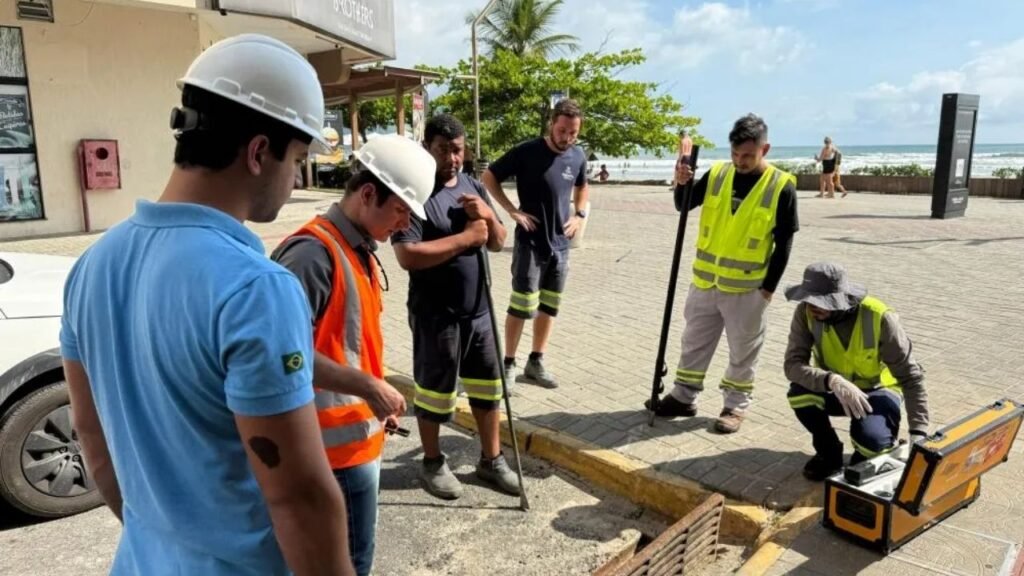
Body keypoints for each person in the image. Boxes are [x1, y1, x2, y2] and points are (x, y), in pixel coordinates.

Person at [60, 35, 356, 575]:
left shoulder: (92, 266)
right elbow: (300, 497)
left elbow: (92, 435)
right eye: (297, 161)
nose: (294, 182)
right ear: (259, 152)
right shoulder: (254, 288)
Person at [271, 134, 434, 575]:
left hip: (354, 443)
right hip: (330, 457)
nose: (404, 225)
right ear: (367, 194)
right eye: (400, 209)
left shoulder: (355, 248)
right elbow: (281, 357)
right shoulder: (312, 256)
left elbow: (348, 345)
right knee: (347, 564)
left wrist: (373, 403)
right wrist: (367, 388)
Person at [391, 114, 519, 500]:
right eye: (443, 149)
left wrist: (486, 215)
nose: (452, 157)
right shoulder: (415, 193)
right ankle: (431, 462)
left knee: (487, 388)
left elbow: (496, 241)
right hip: (436, 314)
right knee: (433, 391)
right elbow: (407, 255)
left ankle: (491, 460)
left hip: (479, 312)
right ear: (428, 148)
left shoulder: (472, 185)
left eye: (458, 149)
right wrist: (466, 237)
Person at [646, 114, 799, 434]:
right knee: (694, 343)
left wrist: (768, 290)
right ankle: (683, 397)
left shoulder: (780, 185)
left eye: (748, 155)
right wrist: (681, 182)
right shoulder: (717, 174)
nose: (740, 161)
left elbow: (784, 242)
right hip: (705, 281)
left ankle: (735, 406)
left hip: (747, 289)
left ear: (765, 149)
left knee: (743, 351)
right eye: (735, 154)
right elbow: (682, 206)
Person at [783, 262, 929, 481]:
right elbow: (792, 365)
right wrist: (831, 380)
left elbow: (911, 377)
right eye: (809, 300)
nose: (812, 307)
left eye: (820, 302)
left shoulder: (879, 317)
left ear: (841, 300)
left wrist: (918, 432)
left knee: (872, 444)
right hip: (837, 389)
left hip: (878, 391)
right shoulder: (805, 313)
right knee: (800, 394)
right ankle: (829, 453)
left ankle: (868, 450)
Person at [481, 98, 590, 390]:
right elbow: (489, 176)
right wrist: (511, 210)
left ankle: (536, 360)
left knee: (549, 306)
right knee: (521, 305)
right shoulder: (527, 151)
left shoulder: (578, 156)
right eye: (563, 130)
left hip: (561, 245)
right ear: (552, 124)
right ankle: (508, 363)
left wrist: (579, 214)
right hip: (530, 243)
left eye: (573, 133)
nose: (567, 138)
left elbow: (583, 185)